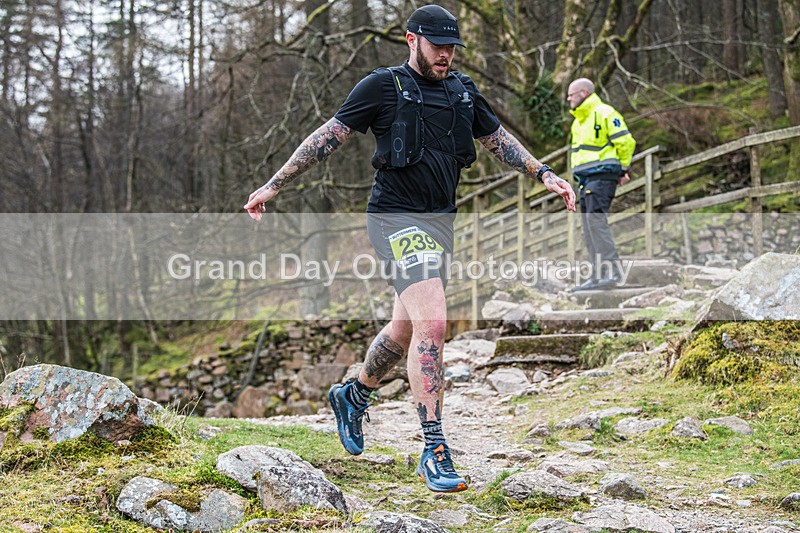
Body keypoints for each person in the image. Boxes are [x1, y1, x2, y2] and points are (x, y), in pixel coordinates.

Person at [244, 4, 575, 493]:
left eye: (452, 48)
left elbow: (497, 138)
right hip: (394, 218)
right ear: (410, 40)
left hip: (440, 223)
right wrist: (274, 184)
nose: (446, 56)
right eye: (438, 46)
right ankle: (434, 448)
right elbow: (328, 137)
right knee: (435, 323)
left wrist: (544, 173)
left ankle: (354, 394)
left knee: (405, 329)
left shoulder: (463, 91)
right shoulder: (382, 86)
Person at [566, 78, 636, 291]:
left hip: (602, 177)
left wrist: (622, 169)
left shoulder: (605, 113)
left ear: (584, 93)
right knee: (588, 228)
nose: (568, 98)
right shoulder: (578, 121)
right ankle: (597, 276)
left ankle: (613, 272)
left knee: (596, 224)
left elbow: (626, 142)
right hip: (585, 180)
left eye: (572, 94)